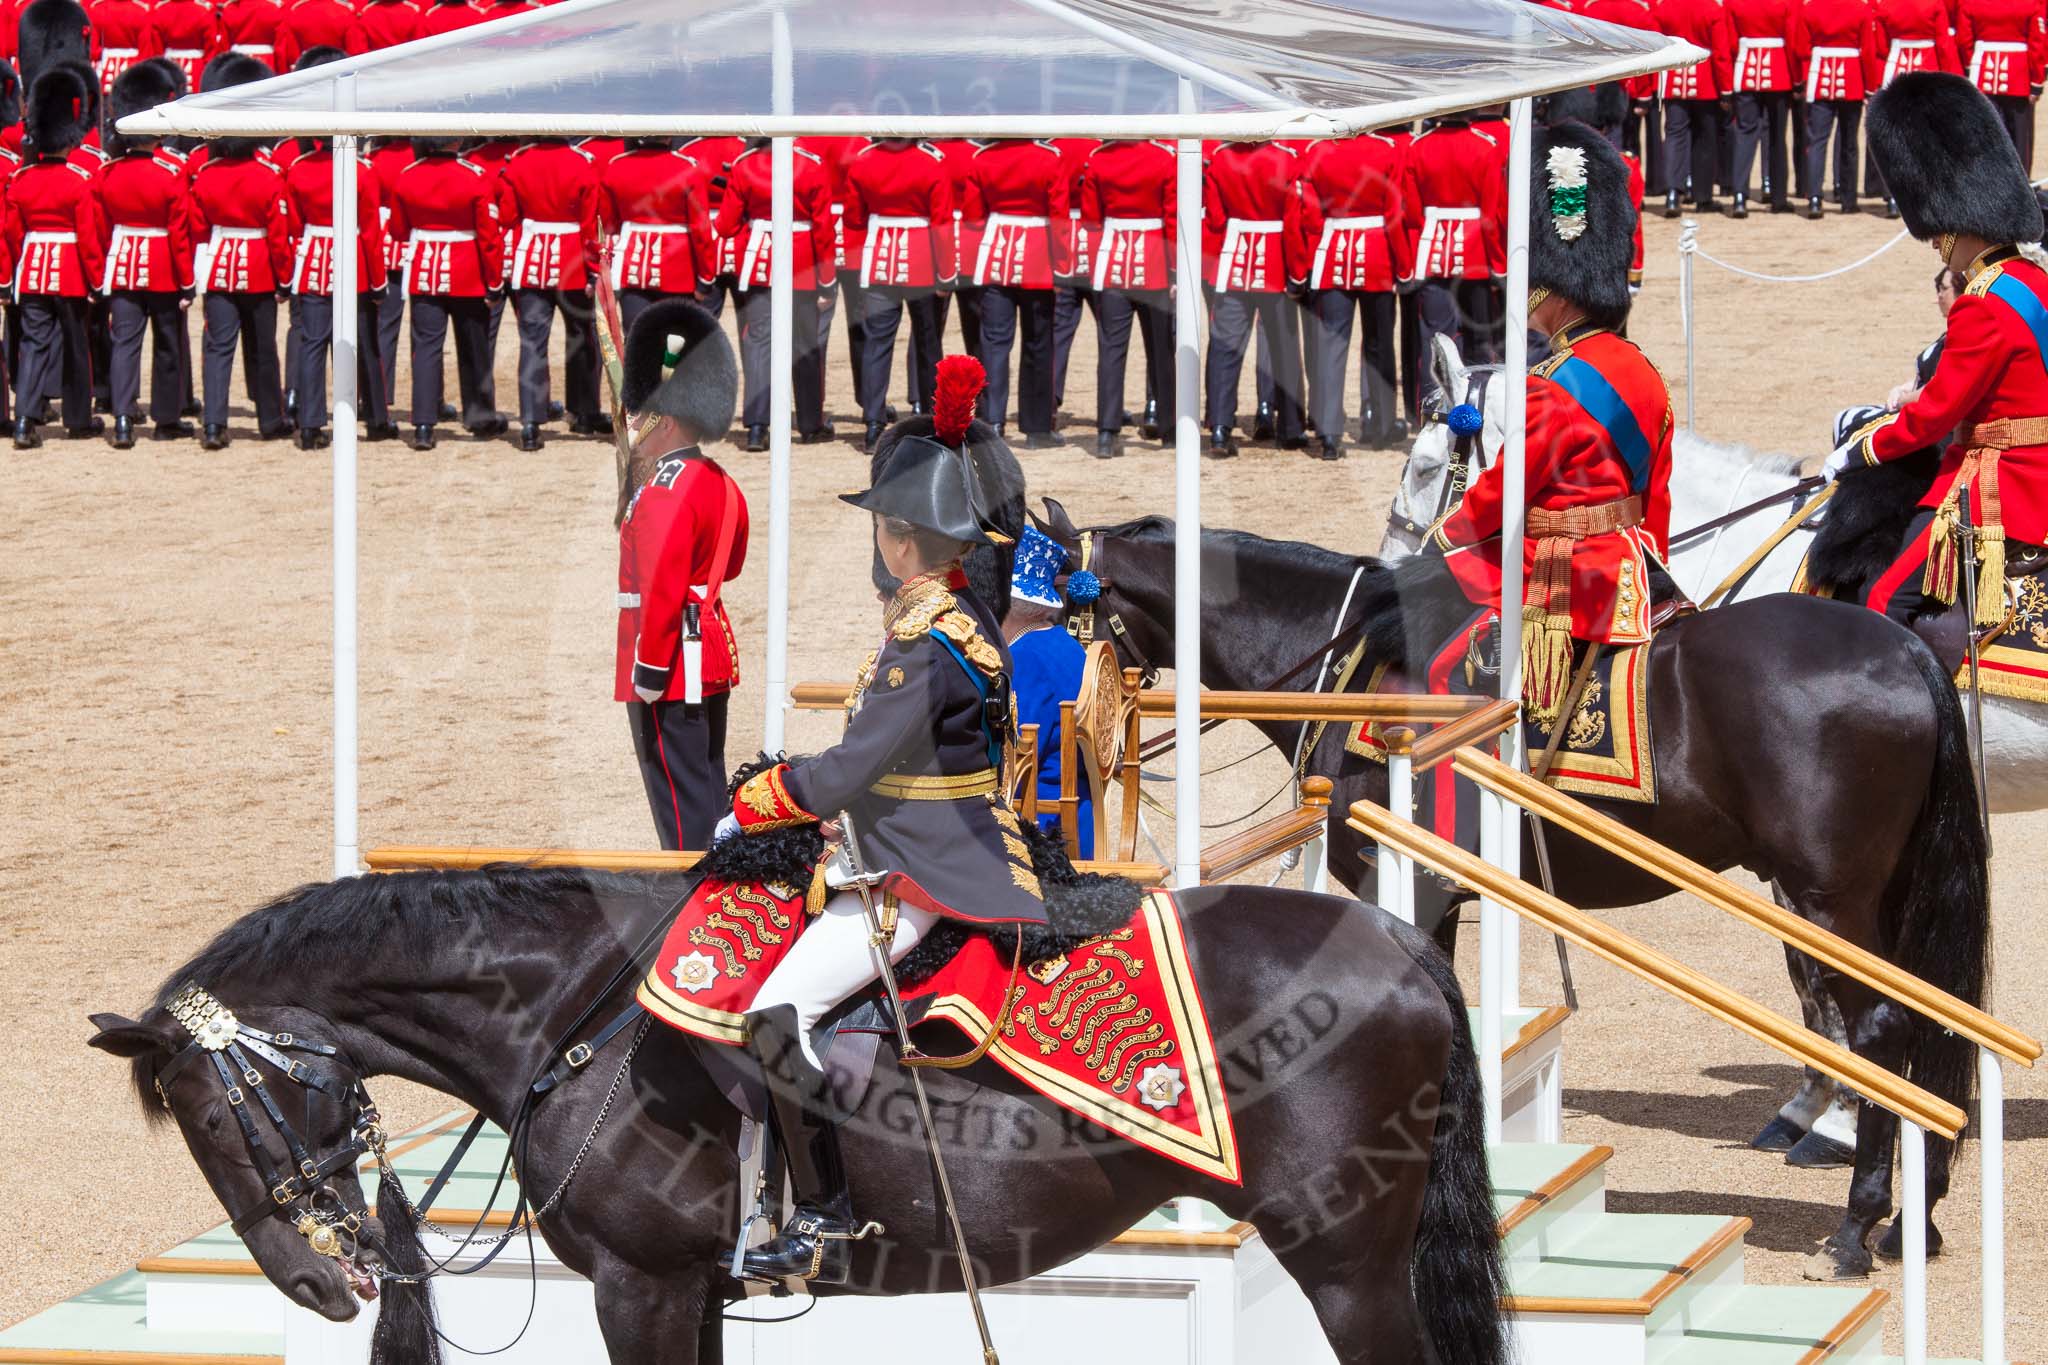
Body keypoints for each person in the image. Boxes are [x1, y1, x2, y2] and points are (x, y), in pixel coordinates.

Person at [716, 360, 1044, 1283]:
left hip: (919, 870)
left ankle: (820, 1212)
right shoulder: (963, 614)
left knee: (776, 1013)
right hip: (923, 838)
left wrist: (758, 799)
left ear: (901, 542)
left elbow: (854, 768)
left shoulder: (924, 642)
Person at [1426, 117, 1672, 724]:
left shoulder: (1555, 386)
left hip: (1565, 579)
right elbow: (1655, 497)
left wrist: (1444, 536)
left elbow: (1503, 494)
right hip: (1632, 567)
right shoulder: (1644, 371)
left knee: (1442, 667)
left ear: (1557, 290)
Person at [1826, 73, 2048, 625]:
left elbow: (1934, 415)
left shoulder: (1980, 303)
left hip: (1999, 488)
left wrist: (1862, 449)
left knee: (1882, 604)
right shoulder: (2031, 280)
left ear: (1949, 227)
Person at [617, 299, 748, 852]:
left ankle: (692, 909)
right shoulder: (717, 478)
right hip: (708, 650)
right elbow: (732, 560)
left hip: (669, 663)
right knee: (705, 791)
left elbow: (662, 587)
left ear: (663, 420)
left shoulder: (666, 489)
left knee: (680, 813)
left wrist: (647, 670)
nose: (633, 425)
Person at [279, 58, 392, 450]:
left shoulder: (297, 169)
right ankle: (376, 417)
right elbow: (372, 233)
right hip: (354, 263)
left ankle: (310, 424)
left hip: (313, 261)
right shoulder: (363, 171)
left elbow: (293, 226)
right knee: (363, 342)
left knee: (312, 343)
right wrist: (379, 281)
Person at [188, 52, 288, 449]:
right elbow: (278, 237)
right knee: (263, 348)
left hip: (218, 267)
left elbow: (198, 228)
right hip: (260, 267)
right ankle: (270, 419)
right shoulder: (269, 177)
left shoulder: (206, 175)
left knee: (218, 348)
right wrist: (284, 278)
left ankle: (214, 423)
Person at [714, 137, 836, 451]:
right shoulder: (811, 164)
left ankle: (757, 426)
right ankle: (811, 425)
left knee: (758, 344)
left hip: (760, 263)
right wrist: (826, 280)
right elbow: (823, 228)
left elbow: (726, 226)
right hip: (803, 264)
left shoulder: (745, 165)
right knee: (805, 344)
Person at [95, 58, 190, 449]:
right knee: (167, 342)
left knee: (125, 343)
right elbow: (179, 233)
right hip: (163, 266)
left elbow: (100, 228)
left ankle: (121, 417)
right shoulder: (172, 172)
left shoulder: (107, 173)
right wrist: (187, 281)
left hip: (122, 262)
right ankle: (166, 418)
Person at [7, 62, 102, 448]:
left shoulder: (21, 180)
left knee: (33, 344)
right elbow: (88, 239)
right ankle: (78, 418)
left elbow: (13, 234)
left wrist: (15, 271)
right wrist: (97, 280)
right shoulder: (79, 182)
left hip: (31, 271)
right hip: (70, 272)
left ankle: (25, 420)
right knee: (76, 345)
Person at [1300, 131, 1411, 459]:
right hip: (1377, 252)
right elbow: (1394, 213)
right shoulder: (1386, 148)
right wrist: (1403, 267)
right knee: (1379, 346)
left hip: (1334, 252)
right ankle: (1382, 425)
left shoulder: (1317, 149)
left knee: (1331, 347)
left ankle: (1330, 433)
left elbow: (1309, 214)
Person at [389, 136, 505, 449]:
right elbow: (489, 237)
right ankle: (480, 418)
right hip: (467, 271)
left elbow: (398, 231)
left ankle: (424, 424)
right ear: (456, 142)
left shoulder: (408, 175)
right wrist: (494, 282)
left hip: (426, 269)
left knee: (426, 347)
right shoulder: (475, 176)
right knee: (474, 348)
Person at [841, 136, 954, 453]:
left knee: (877, 342)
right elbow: (942, 222)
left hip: (879, 258)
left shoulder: (864, 160)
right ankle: (933, 420)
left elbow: (853, 217)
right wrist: (945, 272)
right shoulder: (930, 161)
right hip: (921, 259)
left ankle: (873, 423)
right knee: (928, 342)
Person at [962, 136, 1071, 446]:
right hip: (1038, 255)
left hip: (996, 252)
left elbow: (972, 214)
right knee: (1038, 344)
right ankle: (1036, 429)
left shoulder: (983, 157)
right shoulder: (1049, 157)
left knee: (994, 344)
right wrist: (1062, 265)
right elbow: (1059, 216)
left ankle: (993, 421)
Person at [501, 135, 606, 450]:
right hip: (573, 258)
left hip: (533, 258)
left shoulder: (518, 162)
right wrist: (593, 268)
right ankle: (585, 412)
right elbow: (589, 225)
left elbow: (507, 216)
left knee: (533, 343)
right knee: (584, 339)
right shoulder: (582, 163)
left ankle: (531, 421)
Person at [1203, 138, 1306, 456]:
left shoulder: (1221, 158)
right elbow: (1292, 223)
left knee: (1224, 348)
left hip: (1234, 260)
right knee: (1284, 350)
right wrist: (1298, 273)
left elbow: (1216, 219)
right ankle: (1290, 428)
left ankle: (1220, 427)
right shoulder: (1287, 159)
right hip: (1275, 261)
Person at [1402, 113, 1505, 408]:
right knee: (1478, 340)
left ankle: (1434, 407)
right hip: (1476, 254)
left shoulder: (1418, 146)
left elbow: (1411, 211)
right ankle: (1479, 404)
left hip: (1433, 249)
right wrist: (1499, 264)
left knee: (1435, 339)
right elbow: (1492, 215)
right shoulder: (1486, 146)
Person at [1080, 136, 1174, 458]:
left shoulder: (1100, 157)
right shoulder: (1164, 157)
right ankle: (1168, 428)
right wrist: (1174, 271)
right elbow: (1172, 219)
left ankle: (1107, 432)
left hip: (1113, 259)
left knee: (1111, 351)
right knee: (1161, 351)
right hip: (1156, 261)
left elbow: (1091, 219)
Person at [1004, 525, 1092, 855]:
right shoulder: (1063, 644)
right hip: (1077, 820)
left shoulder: (1025, 658)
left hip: (1040, 828)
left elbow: (1012, 757)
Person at [600, 135, 715, 332]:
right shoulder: (687, 168)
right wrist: (706, 278)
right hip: (679, 269)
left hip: (632, 265)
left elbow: (609, 222)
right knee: (675, 346)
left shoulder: (617, 166)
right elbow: (700, 229)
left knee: (637, 340)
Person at [1791, 0, 1881, 218]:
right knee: (1849, 143)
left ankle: (1814, 198)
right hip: (1851, 79)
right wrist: (1870, 86)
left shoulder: (1810, 8)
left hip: (1820, 76)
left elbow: (1801, 48)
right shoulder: (1860, 9)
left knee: (1817, 142)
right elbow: (1868, 50)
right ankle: (1848, 200)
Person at [1654, 0, 1733, 215]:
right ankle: (1703, 197)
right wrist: (1726, 88)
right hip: (1705, 81)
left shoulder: (1665, 7)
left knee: (1674, 135)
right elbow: (1721, 52)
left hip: (1674, 80)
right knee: (1705, 140)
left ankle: (1672, 193)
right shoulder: (1711, 9)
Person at [1954, 0, 2045, 169]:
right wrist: (2036, 81)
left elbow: (1964, 40)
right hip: (2019, 76)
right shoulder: (2031, 4)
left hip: (1982, 73)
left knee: (1985, 134)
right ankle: (2020, 184)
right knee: (2020, 137)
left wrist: (1970, 67)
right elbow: (2037, 44)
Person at [1727, 0, 1798, 212]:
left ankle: (1739, 195)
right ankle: (1778, 198)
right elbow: (1794, 41)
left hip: (1746, 70)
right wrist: (1797, 79)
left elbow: (1730, 43)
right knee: (1777, 138)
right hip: (1779, 72)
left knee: (1744, 135)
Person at [1887, 267, 1962, 409]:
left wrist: (1902, 401)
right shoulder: (1949, 335)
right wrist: (1902, 390)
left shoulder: (1962, 339)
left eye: (1944, 289)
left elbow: (1941, 388)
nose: (1939, 296)